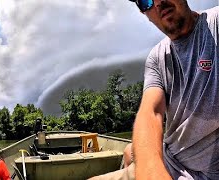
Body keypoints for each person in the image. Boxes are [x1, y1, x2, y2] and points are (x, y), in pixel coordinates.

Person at [90, 0, 219, 179]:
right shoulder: (157, 57)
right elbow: (151, 111)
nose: (157, 3)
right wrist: (151, 170)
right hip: (171, 160)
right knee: (129, 152)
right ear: (146, 15)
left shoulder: (216, 23)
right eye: (145, 2)